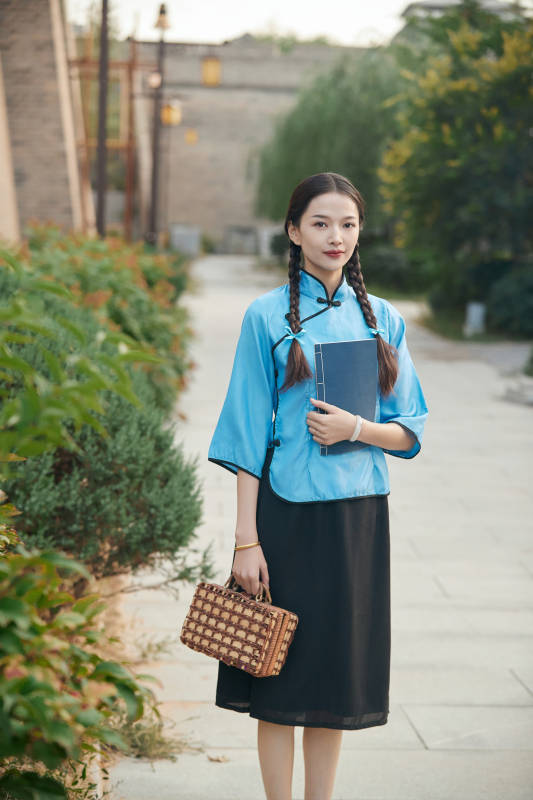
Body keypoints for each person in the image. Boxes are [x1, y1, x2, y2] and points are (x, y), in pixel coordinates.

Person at [207, 172, 429, 800]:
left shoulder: (383, 318)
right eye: (322, 223)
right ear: (294, 230)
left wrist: (357, 426)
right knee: (276, 677)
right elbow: (247, 433)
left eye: (349, 225)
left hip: (358, 516)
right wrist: (245, 540)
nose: (336, 237)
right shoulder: (265, 315)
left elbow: (410, 429)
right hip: (286, 515)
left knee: (333, 683)